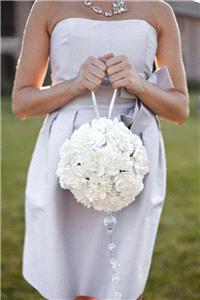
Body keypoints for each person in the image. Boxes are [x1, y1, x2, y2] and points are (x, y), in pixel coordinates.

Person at [11, 1, 189, 299]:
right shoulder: (48, 6)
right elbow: (21, 103)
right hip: (67, 157)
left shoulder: (159, 11)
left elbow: (179, 109)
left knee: (121, 280)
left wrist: (138, 84)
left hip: (132, 154)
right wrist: (75, 85)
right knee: (70, 274)